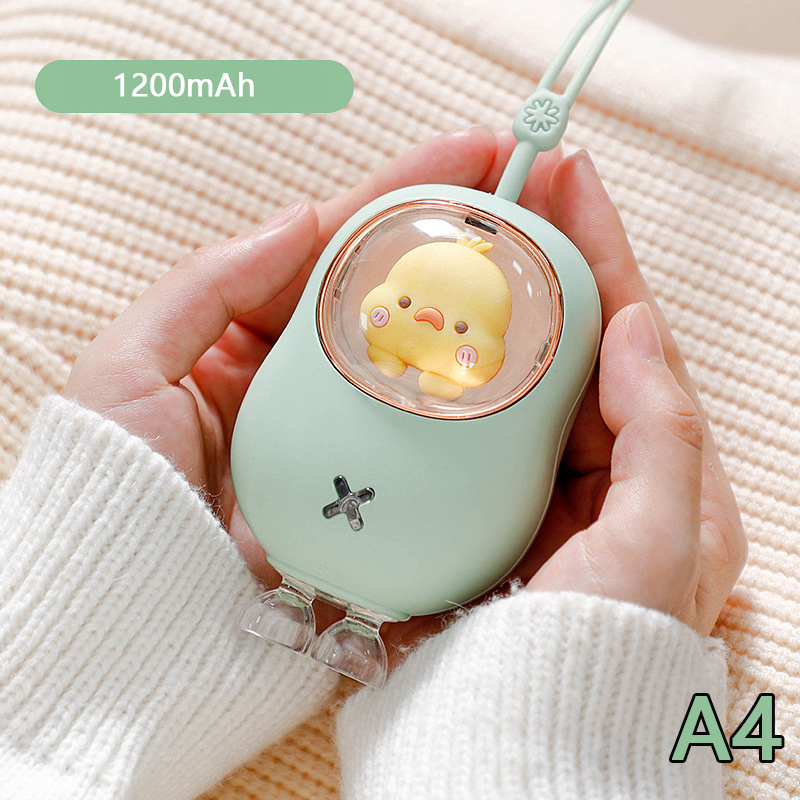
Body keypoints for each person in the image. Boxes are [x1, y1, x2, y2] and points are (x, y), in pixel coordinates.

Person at [0, 127, 747, 799]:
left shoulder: (549, 302)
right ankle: (307, 608)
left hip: (394, 527)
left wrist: (77, 648)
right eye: (416, 305)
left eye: (458, 327)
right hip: (319, 497)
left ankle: (351, 622)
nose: (431, 321)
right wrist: (547, 719)